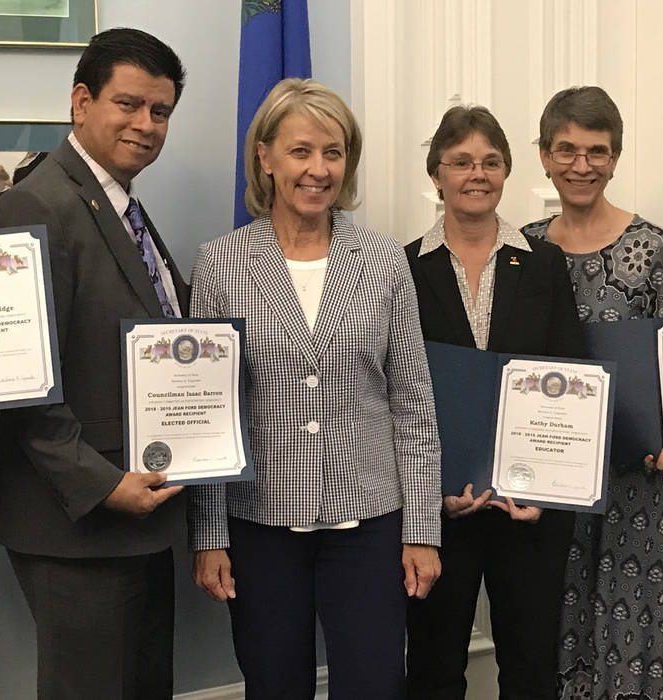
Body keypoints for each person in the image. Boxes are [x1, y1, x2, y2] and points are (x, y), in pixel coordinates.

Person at [189, 78, 443, 699]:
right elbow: (205, 414)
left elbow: (413, 405)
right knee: (274, 685)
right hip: (260, 525)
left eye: (333, 152)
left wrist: (423, 529)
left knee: (376, 684)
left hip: (370, 524)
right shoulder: (219, 264)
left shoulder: (384, 263)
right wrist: (208, 535)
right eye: (301, 151)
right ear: (266, 157)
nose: (318, 169)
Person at [0, 27, 188, 700]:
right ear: (80, 101)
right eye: (128, 104)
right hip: (78, 520)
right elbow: (18, 379)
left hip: (138, 512)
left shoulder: (119, 202)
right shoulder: (37, 203)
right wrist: (101, 484)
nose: (146, 124)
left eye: (160, 111)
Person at [404, 105, 584, 700]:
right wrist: (431, 496)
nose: (476, 174)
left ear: (506, 171)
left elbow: (570, 376)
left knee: (531, 669)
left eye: (490, 161)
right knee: (433, 667)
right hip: (438, 510)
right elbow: (392, 391)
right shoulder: (401, 268)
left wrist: (545, 490)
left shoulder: (545, 263)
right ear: (436, 174)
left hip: (526, 508)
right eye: (460, 162)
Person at [521, 85, 663, 700]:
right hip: (549, 475)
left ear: (616, 157)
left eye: (597, 151)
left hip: (631, 477)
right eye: (566, 150)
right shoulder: (526, 248)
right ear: (543, 155)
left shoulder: (654, 249)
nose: (581, 165)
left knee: (627, 614)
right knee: (546, 620)